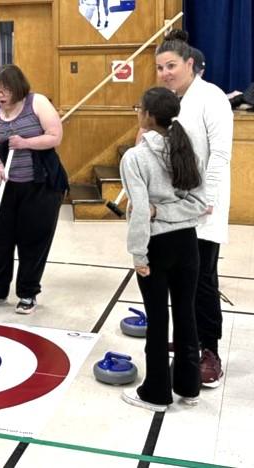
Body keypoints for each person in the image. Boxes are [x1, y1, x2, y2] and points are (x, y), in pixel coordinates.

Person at [154, 30, 233, 388]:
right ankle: (188, 339)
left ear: (190, 64)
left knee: (202, 279)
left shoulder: (211, 98)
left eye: (171, 65)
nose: (165, 72)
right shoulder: (169, 101)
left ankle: (209, 350)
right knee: (177, 276)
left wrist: (208, 199)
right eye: (159, 67)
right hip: (174, 206)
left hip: (205, 206)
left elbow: (219, 155)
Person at [120, 87, 207, 412]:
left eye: (138, 108)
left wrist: (139, 255)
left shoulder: (136, 157)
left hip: (157, 246)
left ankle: (156, 393)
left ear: (147, 116)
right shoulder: (186, 148)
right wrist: (171, 210)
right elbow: (198, 205)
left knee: (158, 320)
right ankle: (189, 386)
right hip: (188, 245)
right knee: (186, 314)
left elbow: (141, 211)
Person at [0, 64, 69, 315]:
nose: (0, 95)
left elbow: (55, 135)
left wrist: (25, 142)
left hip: (39, 186)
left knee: (33, 239)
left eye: (5, 90)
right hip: (3, 184)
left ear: (17, 88)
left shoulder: (36, 103)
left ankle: (27, 292)